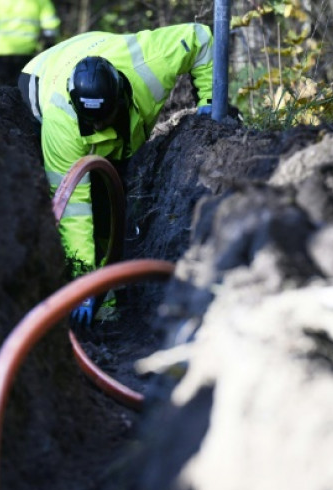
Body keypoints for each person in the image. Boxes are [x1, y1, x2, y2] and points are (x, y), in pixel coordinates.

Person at [18, 23, 214, 325]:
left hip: (94, 52)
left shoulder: (151, 63)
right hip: (40, 78)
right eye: (92, 123)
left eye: (104, 120)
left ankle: (109, 284)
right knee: (94, 202)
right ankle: (99, 297)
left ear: (121, 96)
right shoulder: (61, 123)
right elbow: (73, 208)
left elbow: (199, 37)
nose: (99, 128)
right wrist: (82, 286)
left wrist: (209, 103)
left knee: (113, 195)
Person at [0, 0, 60, 85]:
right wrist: (48, 46)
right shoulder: (41, 1)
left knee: (0, 88)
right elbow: (51, 26)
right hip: (27, 52)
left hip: (1, 51)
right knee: (22, 88)